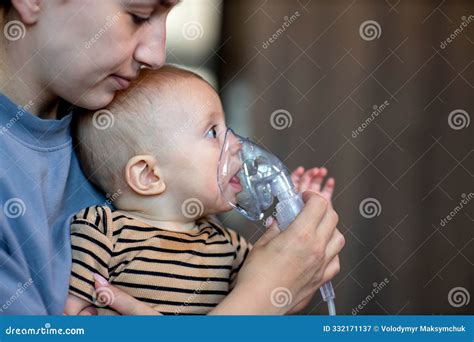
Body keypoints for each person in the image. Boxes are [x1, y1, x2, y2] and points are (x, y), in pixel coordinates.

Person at [0, 0, 344, 315]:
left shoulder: (119, 119)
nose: (157, 55)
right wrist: (261, 300)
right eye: (139, 15)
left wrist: (290, 261)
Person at [63, 65, 338, 315]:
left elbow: (280, 288)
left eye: (227, 129)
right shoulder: (102, 231)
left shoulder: (230, 246)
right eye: (212, 133)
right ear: (148, 175)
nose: (237, 145)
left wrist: (297, 224)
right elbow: (72, 316)